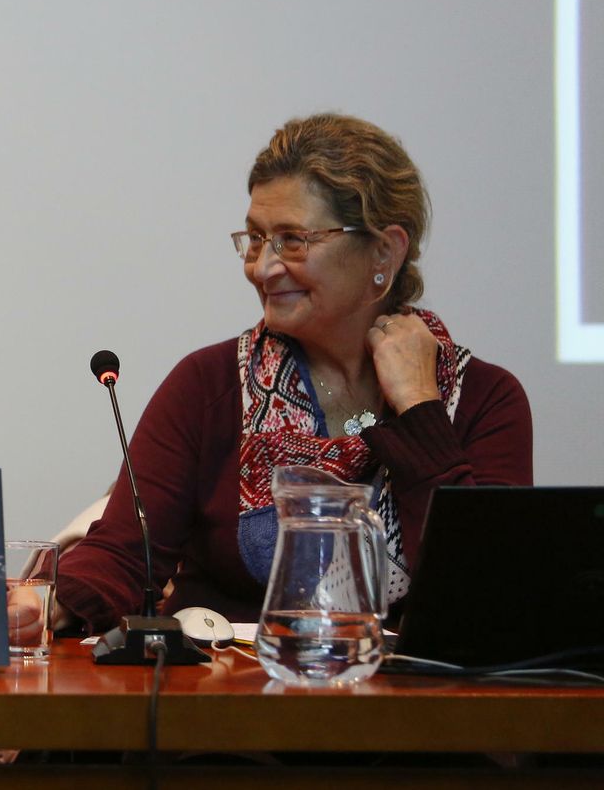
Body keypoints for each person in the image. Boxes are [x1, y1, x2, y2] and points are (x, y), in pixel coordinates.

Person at [55, 113, 533, 631]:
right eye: (256, 239)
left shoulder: (485, 398)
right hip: (226, 697)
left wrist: (419, 408)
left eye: (293, 241)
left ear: (384, 250)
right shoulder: (209, 384)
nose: (262, 267)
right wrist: (49, 604)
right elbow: (125, 555)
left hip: (416, 705)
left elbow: (494, 596)